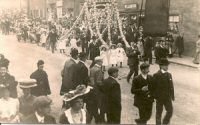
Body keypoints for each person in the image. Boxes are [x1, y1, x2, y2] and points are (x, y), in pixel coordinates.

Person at [152, 58, 175, 125]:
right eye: (165, 65)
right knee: (159, 112)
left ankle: (165, 122)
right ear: (161, 66)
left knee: (170, 111)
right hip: (160, 97)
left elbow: (171, 86)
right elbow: (153, 87)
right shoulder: (156, 75)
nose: (167, 67)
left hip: (167, 97)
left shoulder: (169, 74)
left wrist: (172, 95)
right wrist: (155, 97)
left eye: (167, 65)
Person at [86, 56, 104, 123]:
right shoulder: (99, 70)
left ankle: (91, 118)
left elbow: (91, 79)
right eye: (101, 61)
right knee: (98, 104)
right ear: (99, 62)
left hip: (92, 88)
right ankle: (97, 119)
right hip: (97, 90)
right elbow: (99, 82)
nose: (102, 62)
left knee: (93, 105)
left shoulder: (92, 68)